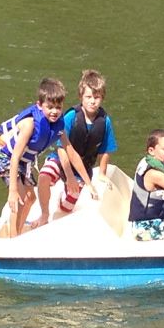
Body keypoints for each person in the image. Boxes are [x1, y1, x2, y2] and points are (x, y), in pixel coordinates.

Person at [0, 78, 98, 238]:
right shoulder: (30, 125)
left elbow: (71, 152)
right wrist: (12, 190)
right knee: (20, 197)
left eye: (58, 107)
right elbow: (14, 157)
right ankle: (12, 241)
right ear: (39, 105)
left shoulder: (58, 126)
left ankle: (18, 231)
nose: (54, 111)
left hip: (23, 160)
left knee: (31, 197)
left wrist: (89, 184)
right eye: (49, 107)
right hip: (6, 155)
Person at [35, 69, 118, 228]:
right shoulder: (70, 116)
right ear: (81, 97)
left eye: (96, 97)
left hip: (82, 168)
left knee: (67, 206)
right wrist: (68, 176)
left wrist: (101, 173)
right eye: (88, 97)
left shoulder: (104, 121)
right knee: (44, 176)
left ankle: (62, 198)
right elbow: (62, 149)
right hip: (61, 160)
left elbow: (106, 149)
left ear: (102, 98)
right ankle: (44, 213)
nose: (92, 101)